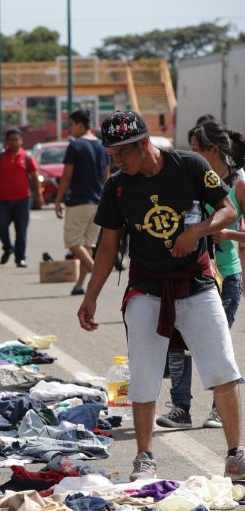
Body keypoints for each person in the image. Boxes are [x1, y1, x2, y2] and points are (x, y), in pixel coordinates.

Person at [77, 111, 245, 481]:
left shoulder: (188, 165)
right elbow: (108, 248)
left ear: (144, 144)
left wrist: (198, 230)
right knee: (144, 373)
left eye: (122, 153)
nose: (117, 161)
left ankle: (236, 454)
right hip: (147, 287)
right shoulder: (118, 186)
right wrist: (90, 298)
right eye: (112, 154)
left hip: (197, 282)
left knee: (222, 367)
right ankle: (145, 456)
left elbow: (228, 208)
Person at [157, 120, 245, 430]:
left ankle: (220, 409)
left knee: (214, 345)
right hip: (192, 273)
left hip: (226, 276)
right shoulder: (193, 180)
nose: (191, 156)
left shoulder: (239, 183)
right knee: (179, 341)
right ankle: (181, 408)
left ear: (214, 150)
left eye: (197, 150)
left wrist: (228, 234)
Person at [53, 109, 111, 295]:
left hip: (79, 201)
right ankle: (79, 285)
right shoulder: (102, 146)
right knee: (88, 245)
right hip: (98, 202)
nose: (70, 129)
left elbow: (67, 176)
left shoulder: (75, 145)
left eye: (71, 125)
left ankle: (96, 273)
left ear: (79, 124)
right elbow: (107, 176)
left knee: (72, 242)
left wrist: (57, 200)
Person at [0, 127, 44, 267]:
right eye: (11, 140)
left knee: (21, 231)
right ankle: (8, 247)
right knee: (0, 226)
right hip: (4, 200)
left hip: (23, 200)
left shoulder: (27, 158)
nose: (13, 142)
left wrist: (38, 195)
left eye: (16, 140)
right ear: (6, 142)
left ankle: (20, 258)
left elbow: (35, 177)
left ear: (21, 141)